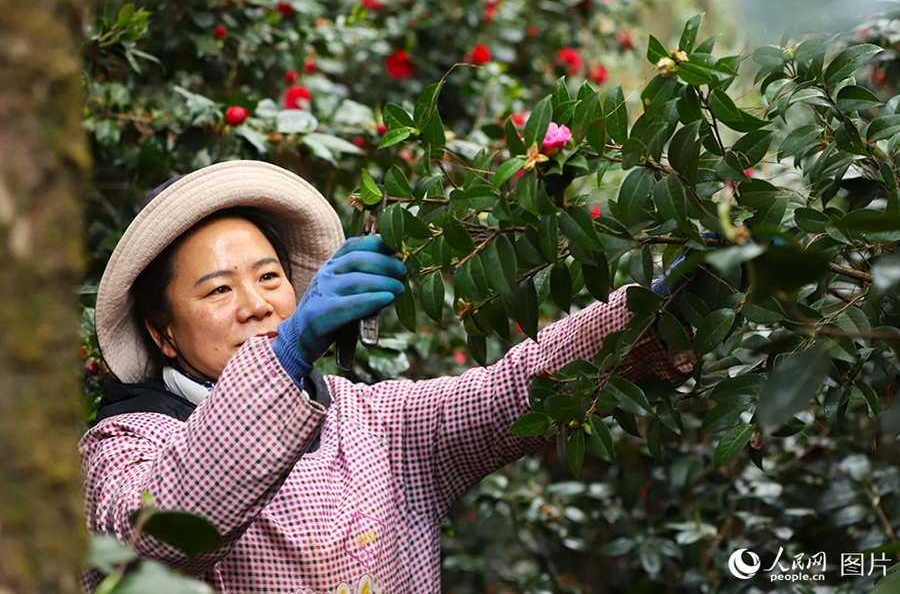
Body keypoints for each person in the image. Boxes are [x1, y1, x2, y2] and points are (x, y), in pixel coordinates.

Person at [80, 160, 695, 594]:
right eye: (218, 289)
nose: (257, 305)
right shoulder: (127, 448)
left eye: (269, 278)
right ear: (162, 331)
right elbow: (158, 535)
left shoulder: (376, 423)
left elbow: (515, 390)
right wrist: (285, 357)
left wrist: (657, 310)